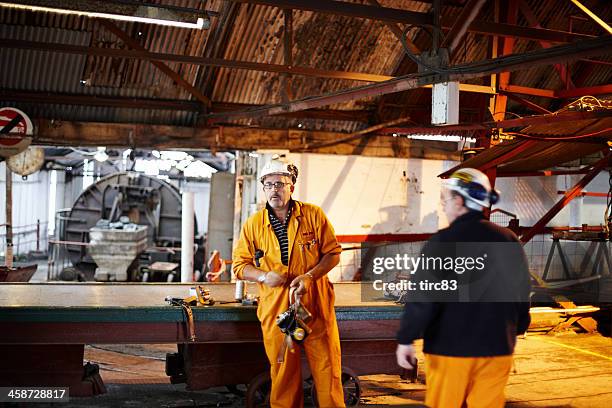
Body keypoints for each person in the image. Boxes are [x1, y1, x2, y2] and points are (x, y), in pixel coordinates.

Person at [396, 168, 531, 408]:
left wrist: (406, 339)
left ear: (459, 201)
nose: (444, 207)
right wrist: (517, 328)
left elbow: (423, 298)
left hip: (450, 349)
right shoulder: (508, 239)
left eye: (445, 201)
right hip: (497, 347)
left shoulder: (442, 242)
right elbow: (521, 292)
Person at [232, 155, 345, 408]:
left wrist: (309, 276)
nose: (275, 189)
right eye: (269, 184)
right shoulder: (253, 225)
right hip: (278, 311)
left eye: (280, 184)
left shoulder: (314, 215)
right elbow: (240, 266)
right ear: (263, 188)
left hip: (315, 304)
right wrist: (263, 276)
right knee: (283, 371)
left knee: (327, 369)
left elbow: (333, 253)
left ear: (291, 186)